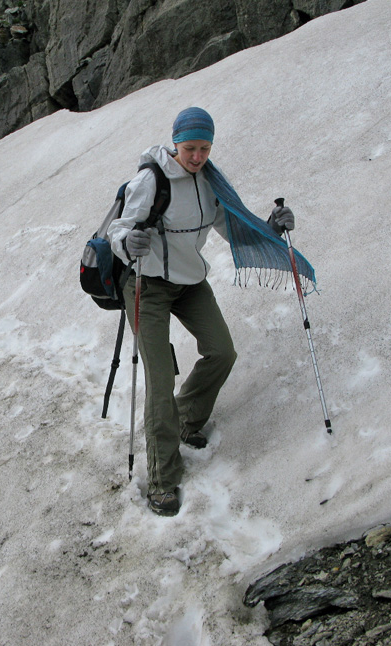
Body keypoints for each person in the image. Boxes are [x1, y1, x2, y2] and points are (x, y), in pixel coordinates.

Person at [107, 107, 296, 516]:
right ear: (176, 143)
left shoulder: (210, 182)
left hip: (190, 283)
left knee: (222, 351)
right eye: (190, 148)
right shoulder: (150, 180)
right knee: (159, 379)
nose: (196, 156)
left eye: (204, 148)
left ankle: (187, 417)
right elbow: (118, 230)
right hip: (146, 285)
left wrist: (272, 227)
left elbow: (234, 229)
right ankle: (162, 478)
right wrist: (129, 243)